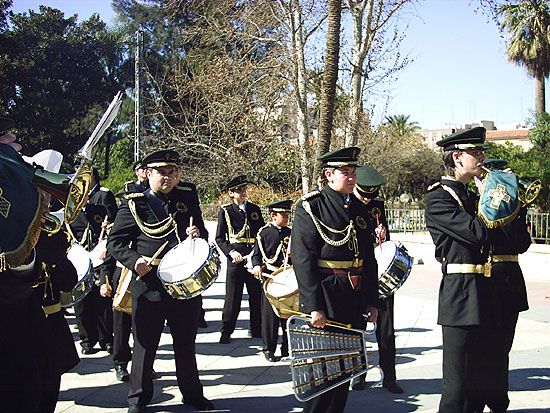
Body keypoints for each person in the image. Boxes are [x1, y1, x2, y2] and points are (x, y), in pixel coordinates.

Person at [107, 149, 214, 413]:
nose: (167, 177)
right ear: (148, 173)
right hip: (149, 281)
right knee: (145, 343)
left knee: (185, 341)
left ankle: (192, 394)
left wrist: (196, 233)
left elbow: (202, 231)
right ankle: (138, 399)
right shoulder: (134, 202)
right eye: (161, 172)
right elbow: (115, 242)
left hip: (183, 282)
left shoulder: (187, 196)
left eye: (172, 172)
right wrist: (134, 261)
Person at [291, 147, 379, 413]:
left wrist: (373, 301)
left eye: (354, 172)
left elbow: (369, 260)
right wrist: (313, 305)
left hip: (353, 296)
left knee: (344, 371)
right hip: (327, 298)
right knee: (323, 374)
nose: (352, 177)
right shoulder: (311, 206)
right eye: (345, 172)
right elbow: (303, 259)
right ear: (329, 175)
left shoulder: (359, 209)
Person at [424, 127, 497, 413]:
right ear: (457, 157)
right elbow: (477, 233)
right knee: (456, 387)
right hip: (459, 292)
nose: (481, 158)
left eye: (480, 152)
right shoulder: (440, 199)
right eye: (475, 153)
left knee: (477, 383)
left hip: (483, 289)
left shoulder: (467, 194)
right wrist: (490, 200)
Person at [482, 159, 531, 413]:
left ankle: (499, 402)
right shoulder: (476, 202)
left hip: (509, 280)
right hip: (481, 280)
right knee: (481, 349)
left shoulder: (515, 206)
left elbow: (522, 244)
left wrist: (515, 210)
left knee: (502, 350)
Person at [352, 165, 404, 394]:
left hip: (378, 275)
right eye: (363, 194)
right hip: (357, 274)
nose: (367, 199)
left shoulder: (376, 207)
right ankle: (358, 375)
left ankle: (389, 376)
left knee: (386, 329)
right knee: (357, 328)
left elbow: (385, 242)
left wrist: (381, 234)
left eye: (371, 196)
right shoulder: (345, 206)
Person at [99, 159, 148, 382]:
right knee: (120, 324)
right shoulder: (123, 215)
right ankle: (120, 363)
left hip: (142, 273)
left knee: (143, 324)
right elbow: (111, 250)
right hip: (122, 274)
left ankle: (143, 364)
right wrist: (104, 280)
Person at [69, 167, 117, 354]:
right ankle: (87, 340)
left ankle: (106, 338)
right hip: (79, 260)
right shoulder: (69, 215)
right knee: (81, 303)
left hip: (99, 259)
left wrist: (108, 226)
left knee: (103, 300)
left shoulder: (100, 206)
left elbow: (112, 226)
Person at [33, 228, 80, 413]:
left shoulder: (50, 236)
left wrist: (57, 258)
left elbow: (69, 282)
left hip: (51, 326)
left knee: (49, 389)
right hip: (19, 328)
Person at [215, 175, 264, 344]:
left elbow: (261, 235)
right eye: (239, 190)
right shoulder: (226, 211)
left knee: (256, 295)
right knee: (232, 298)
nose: (243, 193)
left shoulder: (255, 209)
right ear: (231, 193)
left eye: (244, 190)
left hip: (252, 257)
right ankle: (226, 331)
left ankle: (257, 328)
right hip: (236, 257)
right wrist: (231, 252)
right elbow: (220, 238)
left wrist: (256, 255)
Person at [250, 199, 292, 362]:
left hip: (288, 277)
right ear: (273, 215)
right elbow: (256, 255)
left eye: (287, 214)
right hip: (272, 278)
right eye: (283, 214)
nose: (287, 217)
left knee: (288, 315)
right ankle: (269, 348)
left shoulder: (290, 233)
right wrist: (256, 266)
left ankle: (287, 347)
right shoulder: (264, 233)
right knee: (270, 317)